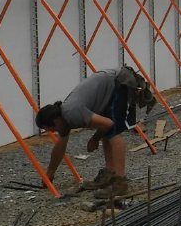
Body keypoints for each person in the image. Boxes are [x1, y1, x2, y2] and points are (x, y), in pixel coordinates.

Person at [35, 66, 156, 197]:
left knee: (113, 132)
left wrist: (94, 139)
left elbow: (109, 124)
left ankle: (120, 182)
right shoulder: (64, 117)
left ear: (55, 120)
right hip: (108, 87)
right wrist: (50, 173)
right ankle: (109, 174)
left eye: (51, 128)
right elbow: (60, 148)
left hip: (118, 83)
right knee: (106, 132)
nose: (54, 131)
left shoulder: (71, 113)